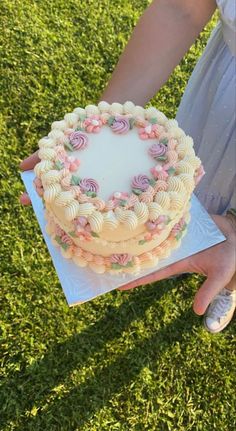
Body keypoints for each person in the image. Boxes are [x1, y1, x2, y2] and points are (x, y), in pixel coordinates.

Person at [20, 0, 236, 332]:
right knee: (186, 195)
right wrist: (99, 127)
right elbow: (182, 8)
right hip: (223, 90)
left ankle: (229, 286)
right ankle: (185, 243)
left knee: (228, 251)